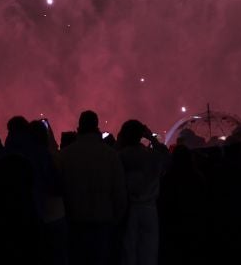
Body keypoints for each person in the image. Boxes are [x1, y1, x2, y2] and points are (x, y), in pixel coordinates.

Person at [59, 109, 127, 265]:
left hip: (74, 223)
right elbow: (119, 193)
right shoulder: (110, 155)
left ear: (79, 127)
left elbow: (59, 189)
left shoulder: (65, 155)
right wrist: (115, 219)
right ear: (97, 127)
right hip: (103, 222)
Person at [118, 119, 168, 265]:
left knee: (128, 253)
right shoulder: (152, 155)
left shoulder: (121, 156)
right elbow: (166, 156)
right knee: (149, 252)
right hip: (149, 209)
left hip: (129, 210)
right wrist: (151, 137)